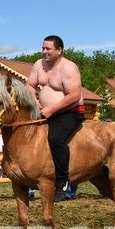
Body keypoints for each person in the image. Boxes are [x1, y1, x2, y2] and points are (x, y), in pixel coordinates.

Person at [26, 35, 84, 202]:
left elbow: (74, 95)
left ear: (59, 50)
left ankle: (63, 184)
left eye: (48, 49)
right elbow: (30, 85)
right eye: (43, 48)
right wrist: (35, 103)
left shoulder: (69, 68)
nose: (44, 51)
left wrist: (51, 109)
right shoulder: (39, 65)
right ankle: (30, 179)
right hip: (44, 111)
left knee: (55, 138)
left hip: (69, 112)